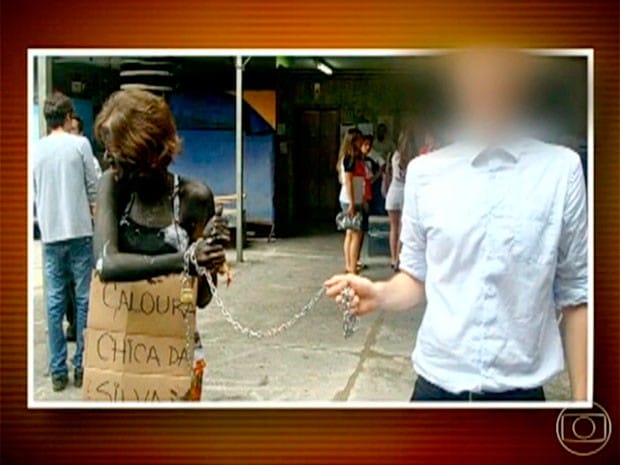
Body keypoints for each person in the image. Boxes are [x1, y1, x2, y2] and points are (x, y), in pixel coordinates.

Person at [325, 49, 588, 402]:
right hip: (435, 390)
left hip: (520, 398)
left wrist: (584, 405)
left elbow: (577, 297)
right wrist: (380, 293)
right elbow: (415, 279)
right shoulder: (426, 173)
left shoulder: (560, 172)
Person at [92, 89, 230, 399]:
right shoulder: (113, 186)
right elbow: (106, 264)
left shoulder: (194, 198)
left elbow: (202, 299)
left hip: (175, 351)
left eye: (116, 155)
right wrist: (186, 259)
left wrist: (211, 255)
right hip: (121, 349)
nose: (108, 161)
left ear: (150, 156)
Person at [33, 92, 98, 391]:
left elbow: (35, 191)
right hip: (80, 232)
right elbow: (93, 188)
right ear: (69, 117)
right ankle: (82, 365)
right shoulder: (80, 145)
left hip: (51, 235)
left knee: (54, 301)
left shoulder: (36, 149)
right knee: (83, 299)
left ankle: (58, 370)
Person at [383, 122, 417, 271]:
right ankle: (399, 258)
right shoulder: (413, 158)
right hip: (405, 192)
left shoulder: (394, 155)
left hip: (393, 191)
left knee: (393, 227)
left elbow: (389, 174)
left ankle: (392, 258)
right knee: (403, 229)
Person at [337, 131, 367, 274]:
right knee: (356, 234)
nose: (361, 143)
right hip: (351, 199)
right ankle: (352, 267)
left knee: (350, 232)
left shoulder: (353, 158)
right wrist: (352, 203)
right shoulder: (350, 159)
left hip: (353, 198)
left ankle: (350, 265)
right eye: (359, 140)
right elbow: (348, 181)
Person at [70, 114, 103, 179]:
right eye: (67, 130)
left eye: (73, 129)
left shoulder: (92, 161)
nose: (69, 133)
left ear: (80, 133)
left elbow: (96, 182)